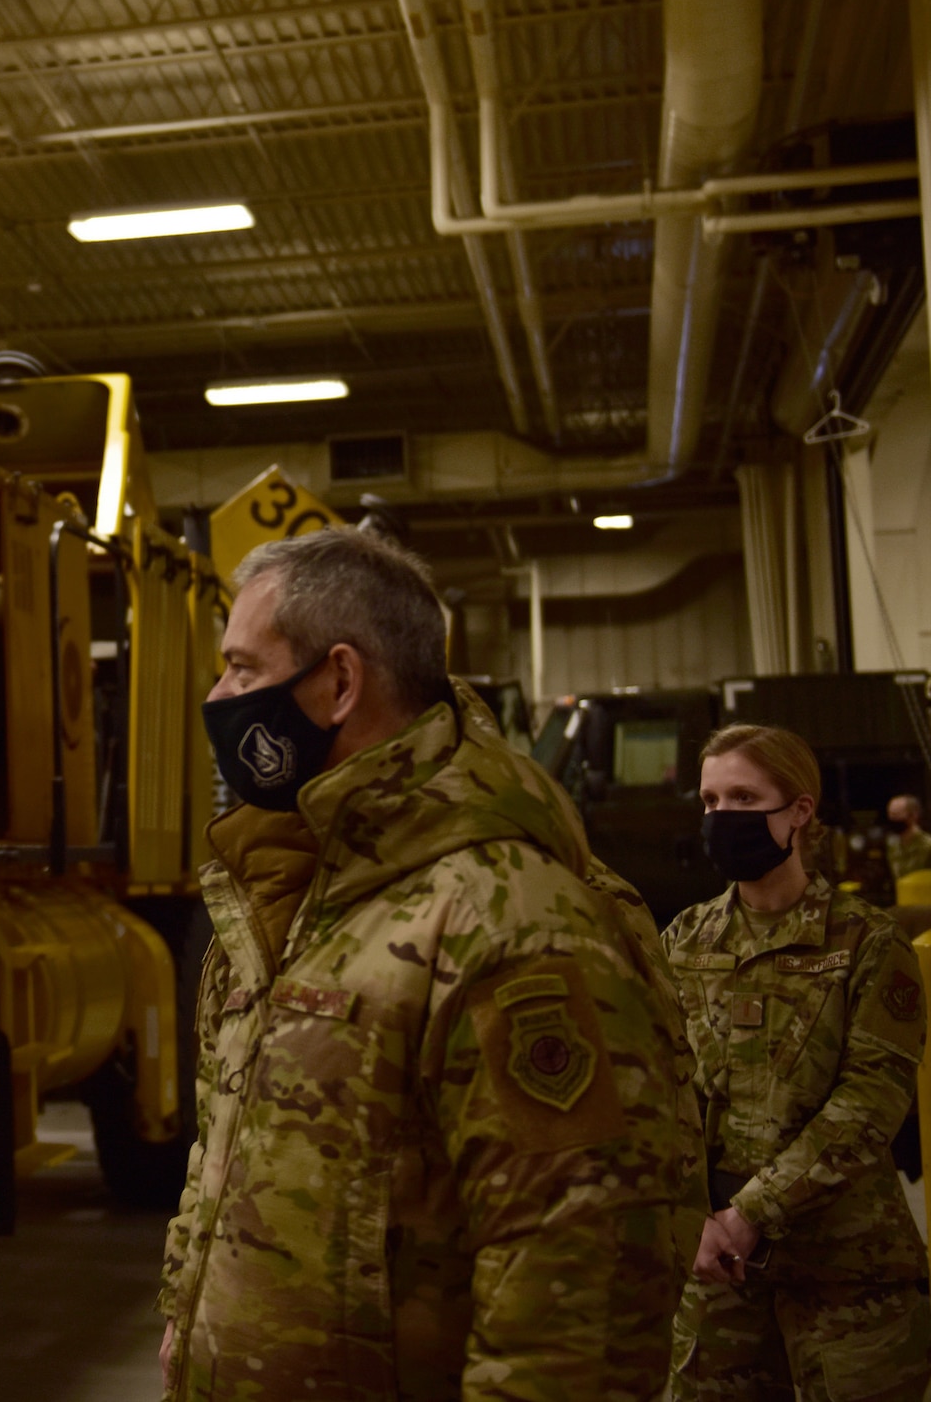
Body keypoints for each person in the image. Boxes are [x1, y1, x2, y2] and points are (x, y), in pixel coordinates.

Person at [158, 527, 702, 1400]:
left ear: (339, 681)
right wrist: (191, 1312)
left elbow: (580, 1271)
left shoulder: (508, 912)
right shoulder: (282, 899)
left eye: (243, 669)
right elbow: (223, 1150)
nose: (219, 695)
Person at [665, 725, 930, 1401]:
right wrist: (687, 1214)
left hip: (845, 1276)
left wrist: (752, 1210)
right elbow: (654, 1090)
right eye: (710, 800)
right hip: (720, 1273)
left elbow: (871, 1102)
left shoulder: (867, 945)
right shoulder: (684, 940)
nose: (723, 817)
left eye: (744, 796)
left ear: (800, 811)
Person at [886, 794, 931, 884]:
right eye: (890, 815)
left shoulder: (928, 847)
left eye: (897, 815)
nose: (893, 819)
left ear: (913, 816)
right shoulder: (892, 846)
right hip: (903, 896)